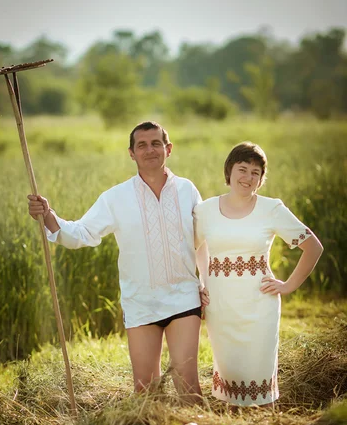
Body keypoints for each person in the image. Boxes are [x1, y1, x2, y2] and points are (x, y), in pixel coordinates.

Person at [28, 121, 205, 404]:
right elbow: (82, 233)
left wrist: (206, 282)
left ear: (168, 149)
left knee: (188, 383)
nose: (150, 150)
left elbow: (204, 239)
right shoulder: (115, 198)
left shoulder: (187, 190)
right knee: (145, 390)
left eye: (156, 143)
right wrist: (48, 215)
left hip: (183, 298)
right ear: (131, 153)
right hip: (140, 302)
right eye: (142, 145)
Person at [194, 141, 323, 407]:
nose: (248, 177)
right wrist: (202, 282)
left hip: (259, 303)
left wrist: (287, 285)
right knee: (230, 376)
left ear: (261, 179)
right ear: (229, 171)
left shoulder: (271, 209)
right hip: (221, 305)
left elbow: (313, 247)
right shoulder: (204, 210)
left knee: (260, 379)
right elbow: (195, 249)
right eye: (243, 169)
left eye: (256, 172)